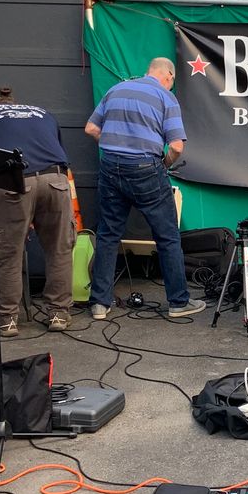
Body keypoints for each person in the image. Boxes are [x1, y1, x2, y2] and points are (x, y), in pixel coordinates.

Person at [86, 58, 205, 320]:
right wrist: (164, 165)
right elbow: (177, 147)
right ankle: (178, 302)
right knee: (167, 236)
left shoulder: (116, 89)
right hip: (146, 169)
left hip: (110, 166)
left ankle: (99, 304)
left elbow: (91, 128)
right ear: (168, 76)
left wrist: (113, 147)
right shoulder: (166, 97)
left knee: (107, 235)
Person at [0, 87, 76, 336]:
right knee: (59, 249)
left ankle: (6, 320)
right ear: (15, 104)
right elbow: (58, 156)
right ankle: (58, 314)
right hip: (56, 180)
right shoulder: (42, 113)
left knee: (7, 253)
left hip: (14, 181)